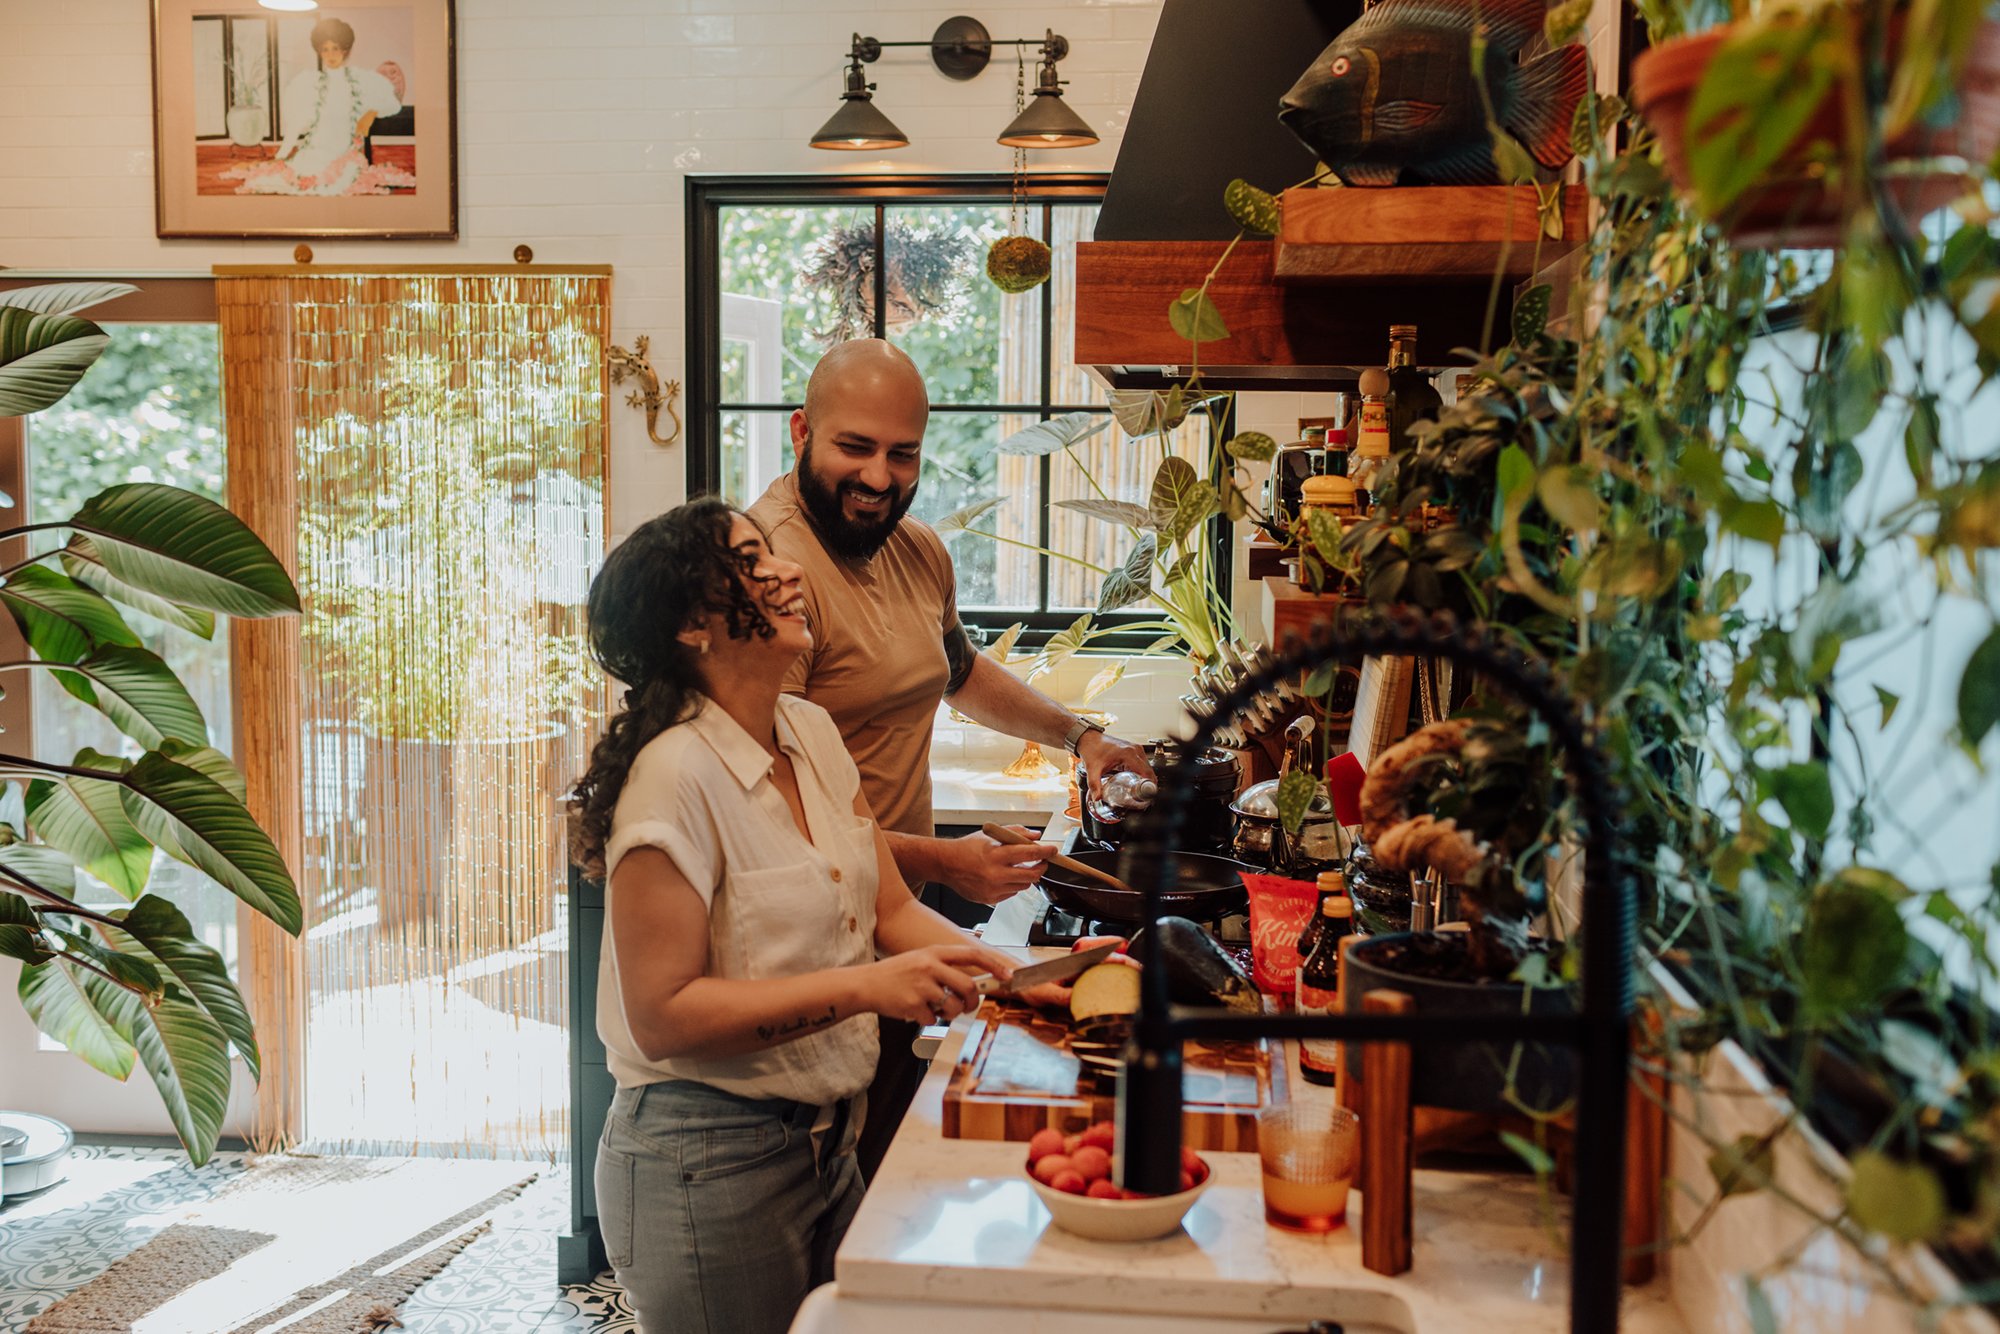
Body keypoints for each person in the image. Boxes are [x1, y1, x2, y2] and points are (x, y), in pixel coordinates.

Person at [567, 497, 1017, 1334]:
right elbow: (662, 1017)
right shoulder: (673, 778)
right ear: (694, 627)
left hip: (824, 1147)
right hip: (702, 1165)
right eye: (750, 562)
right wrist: (867, 989)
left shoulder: (806, 730)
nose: (789, 572)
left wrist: (1033, 981)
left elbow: (890, 910)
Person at [747, 338, 1156, 911]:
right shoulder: (765, 572)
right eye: (855, 447)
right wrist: (943, 861)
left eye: (902, 454)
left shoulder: (915, 547)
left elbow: (957, 672)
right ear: (801, 432)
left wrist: (1082, 737)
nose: (879, 478)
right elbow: (767, 811)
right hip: (799, 923)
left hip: (890, 911)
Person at [226, 17, 411, 197]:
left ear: (344, 50)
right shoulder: (311, 82)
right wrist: (282, 153)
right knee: (294, 176)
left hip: (345, 149)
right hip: (317, 147)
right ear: (319, 52)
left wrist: (369, 114)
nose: (331, 55)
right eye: (325, 50)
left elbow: (391, 104)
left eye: (335, 49)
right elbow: (297, 123)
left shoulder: (359, 79)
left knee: (339, 180)